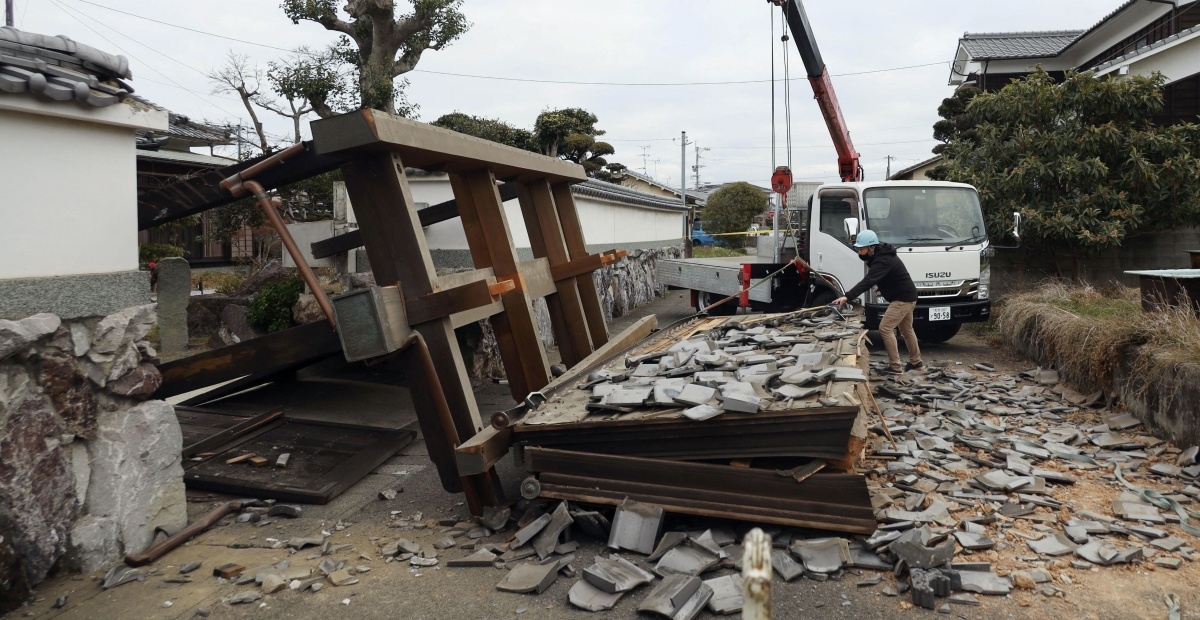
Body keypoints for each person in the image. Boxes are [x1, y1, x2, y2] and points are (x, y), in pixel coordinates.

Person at [832, 229, 924, 375]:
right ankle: (916, 363)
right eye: (858, 249)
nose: (859, 252)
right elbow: (887, 275)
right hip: (908, 296)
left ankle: (895, 368)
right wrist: (881, 285)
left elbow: (868, 280)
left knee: (885, 329)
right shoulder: (881, 254)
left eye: (861, 249)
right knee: (907, 330)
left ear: (871, 247)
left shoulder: (883, 259)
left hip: (902, 299)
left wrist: (847, 296)